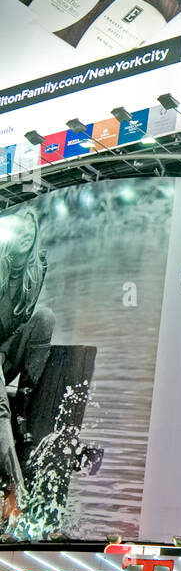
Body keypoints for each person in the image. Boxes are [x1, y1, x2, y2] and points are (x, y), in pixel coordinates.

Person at [0, 208, 56, 526]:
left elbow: (25, 318)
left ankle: (24, 406)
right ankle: (14, 493)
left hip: (6, 349)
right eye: (19, 229)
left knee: (45, 316)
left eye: (30, 230)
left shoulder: (38, 266)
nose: (25, 234)